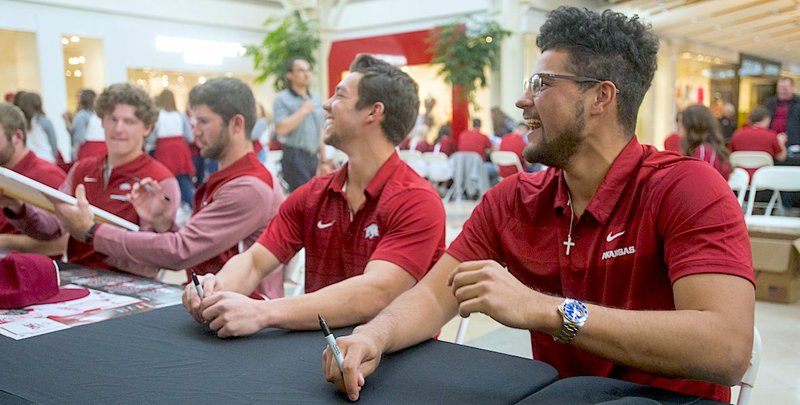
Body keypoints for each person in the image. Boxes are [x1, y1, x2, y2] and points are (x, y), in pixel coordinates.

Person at [324, 7, 754, 404]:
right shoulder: (514, 200)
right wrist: (372, 336)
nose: (522, 100)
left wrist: (548, 310)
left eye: (542, 84)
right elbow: (434, 297)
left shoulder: (686, 187)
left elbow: (728, 348)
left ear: (601, 97)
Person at [182, 55, 446, 338]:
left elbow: (375, 293)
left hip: (397, 357)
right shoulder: (314, 194)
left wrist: (265, 312)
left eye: (339, 95)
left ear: (373, 112)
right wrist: (215, 289)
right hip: (317, 349)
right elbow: (256, 261)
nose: (326, 104)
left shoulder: (417, 201)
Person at [51, 78, 286, 297]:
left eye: (203, 121)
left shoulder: (248, 187)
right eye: (112, 119)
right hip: (216, 305)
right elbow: (191, 246)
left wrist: (92, 232)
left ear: (236, 124)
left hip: (241, 313)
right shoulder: (230, 178)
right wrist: (162, 221)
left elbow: (180, 251)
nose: (194, 131)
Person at [1, 83, 181, 276]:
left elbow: (156, 257)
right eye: (112, 119)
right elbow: (53, 229)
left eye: (129, 122)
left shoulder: (161, 180)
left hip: (132, 284)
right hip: (79, 277)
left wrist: (91, 232)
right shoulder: (82, 169)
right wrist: (19, 209)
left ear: (147, 128)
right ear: (102, 122)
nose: (118, 129)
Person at [0, 103, 67, 256]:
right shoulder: (6, 172)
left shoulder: (47, 175)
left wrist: (5, 241)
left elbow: (63, 242)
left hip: (29, 270)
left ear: (17, 137)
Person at [273, 57, 327, 191]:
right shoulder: (282, 99)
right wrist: (303, 111)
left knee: (315, 196)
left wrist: (324, 159)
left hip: (313, 156)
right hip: (294, 155)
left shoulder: (315, 98)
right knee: (301, 199)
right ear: (290, 75)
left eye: (308, 70)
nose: (306, 74)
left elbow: (321, 129)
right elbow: (280, 129)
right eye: (301, 70)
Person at [150, 89, 195, 210]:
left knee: (165, 179)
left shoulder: (158, 116)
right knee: (184, 180)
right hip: (180, 149)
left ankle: (169, 208)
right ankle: (193, 207)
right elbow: (190, 136)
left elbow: (152, 136)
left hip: (164, 149)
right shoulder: (180, 115)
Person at [729, 106, 787, 177]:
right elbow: (781, 157)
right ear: (766, 119)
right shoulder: (771, 135)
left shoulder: (737, 134)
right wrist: (781, 142)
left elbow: (729, 156)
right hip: (764, 178)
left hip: (741, 177)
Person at [680, 104, 732, 179]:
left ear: (690, 127)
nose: (679, 129)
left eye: (681, 125)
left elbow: (699, 182)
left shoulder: (702, 152)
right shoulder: (712, 150)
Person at [13, 91, 60, 164]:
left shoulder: (18, 122)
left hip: (27, 160)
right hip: (46, 159)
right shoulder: (44, 120)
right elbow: (53, 142)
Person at [64, 89, 106, 161]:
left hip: (87, 151)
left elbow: (80, 138)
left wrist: (67, 122)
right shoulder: (99, 114)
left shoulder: (82, 115)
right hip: (102, 149)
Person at [765, 77, 800, 156]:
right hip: (772, 142)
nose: (782, 91)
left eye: (785, 89)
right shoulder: (769, 103)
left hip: (794, 144)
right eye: (780, 88)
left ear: (792, 88)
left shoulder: (798, 103)